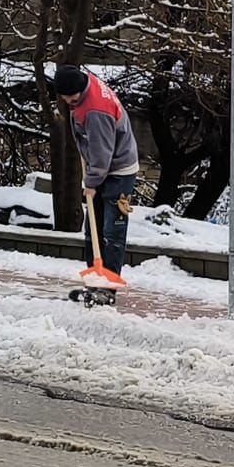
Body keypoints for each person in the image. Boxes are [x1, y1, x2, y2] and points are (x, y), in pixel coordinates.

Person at [54, 63, 140, 303]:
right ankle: (94, 282)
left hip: (118, 172)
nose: (69, 100)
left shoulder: (95, 111)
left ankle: (107, 288)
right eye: (66, 97)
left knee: (112, 232)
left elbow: (102, 154)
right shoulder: (83, 87)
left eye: (72, 97)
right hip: (102, 168)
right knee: (93, 230)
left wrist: (91, 182)